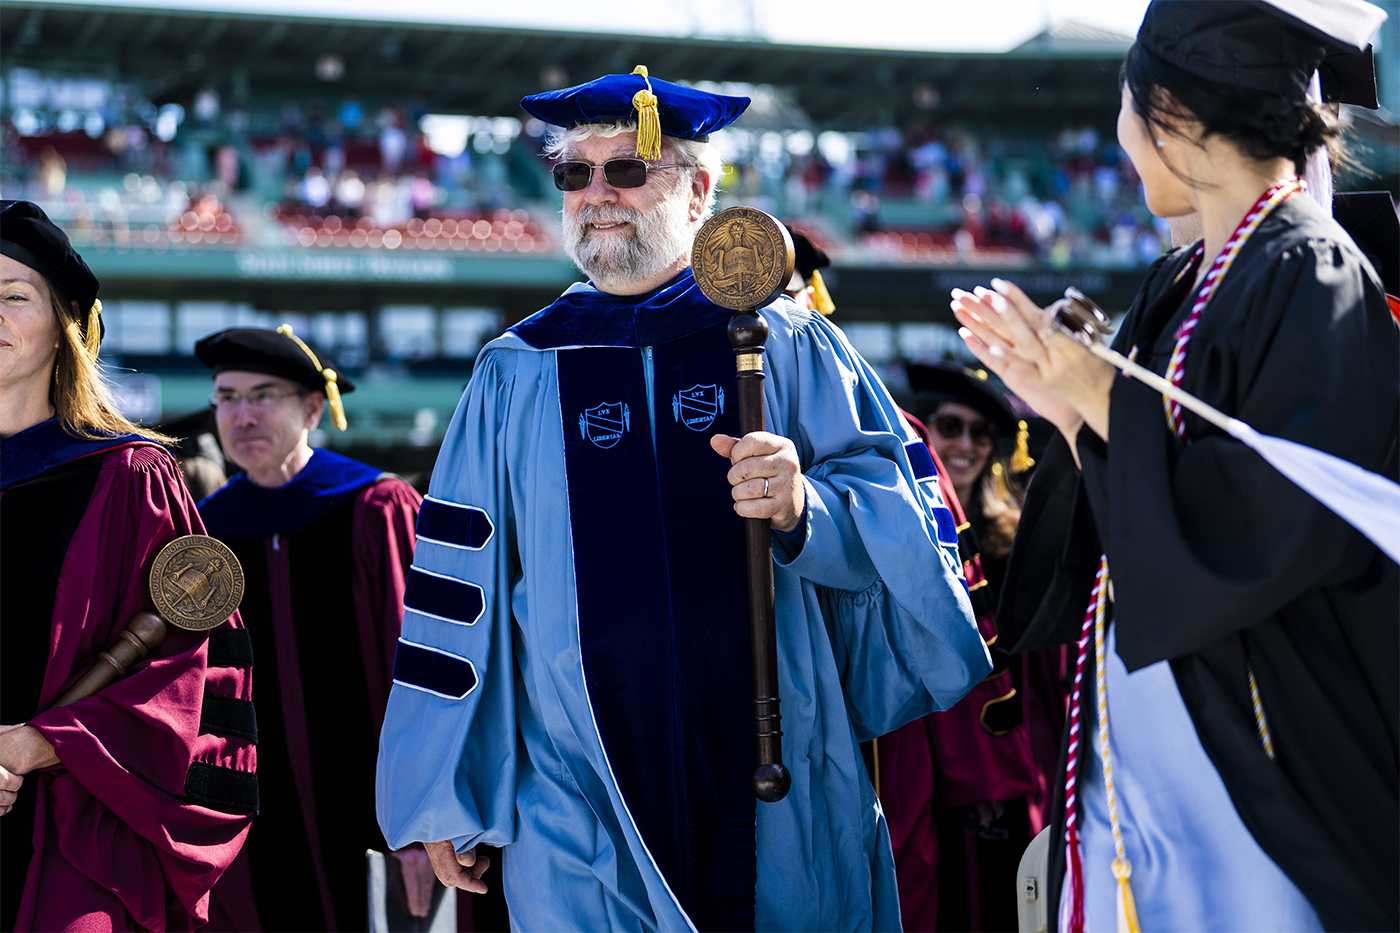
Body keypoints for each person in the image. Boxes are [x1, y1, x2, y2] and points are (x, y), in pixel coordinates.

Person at [374, 67, 989, 932]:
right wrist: (439, 787)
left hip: (776, 766)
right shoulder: (516, 371)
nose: (597, 195)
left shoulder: (787, 342)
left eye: (627, 170)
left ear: (700, 190)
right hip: (575, 784)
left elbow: (908, 519)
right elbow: (457, 595)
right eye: (574, 174)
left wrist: (803, 507)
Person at [951, 1, 1397, 930]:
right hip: (1148, 737)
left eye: (1126, 110)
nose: (1121, 142)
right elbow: (1125, 506)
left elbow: (1270, 523)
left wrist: (1098, 397)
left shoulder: (1312, 271)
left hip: (1264, 741)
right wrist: (1066, 400)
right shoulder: (1182, 277)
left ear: (1172, 111)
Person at [0, 199, 256, 931]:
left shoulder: (127, 476)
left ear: (65, 330)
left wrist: (44, 741)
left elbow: (196, 670)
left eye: (15, 296)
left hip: (73, 833)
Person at [194, 327, 428, 930]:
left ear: (313, 408)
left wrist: (424, 820)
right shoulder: (206, 534)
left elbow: (421, 672)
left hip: (374, 810)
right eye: (227, 397)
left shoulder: (374, 509)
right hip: (250, 815)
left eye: (264, 395)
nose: (241, 416)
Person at [877, 363, 1065, 932]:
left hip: (998, 760)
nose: (966, 445)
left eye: (981, 433)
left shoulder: (1011, 542)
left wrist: (1002, 772)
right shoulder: (898, 523)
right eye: (950, 427)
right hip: (918, 746)